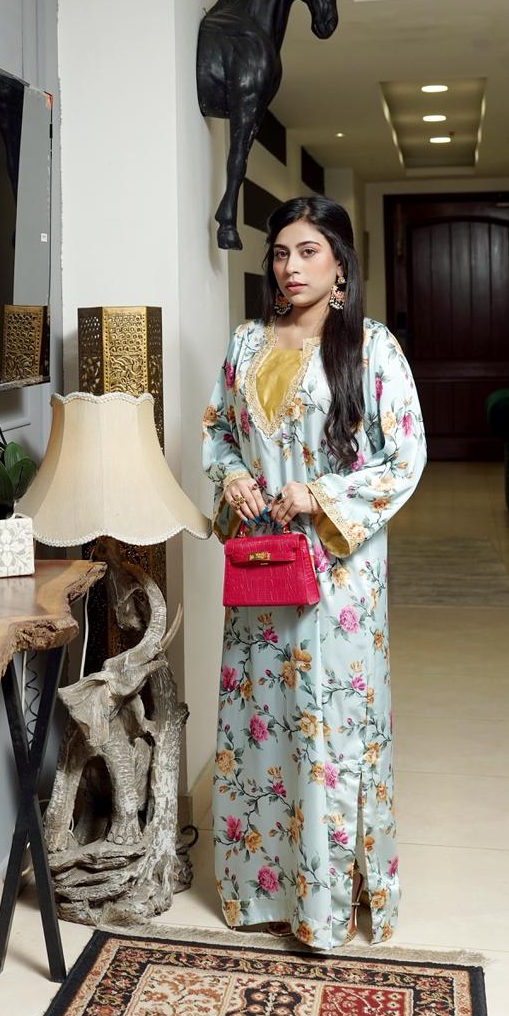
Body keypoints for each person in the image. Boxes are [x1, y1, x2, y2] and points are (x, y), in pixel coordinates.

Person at [202, 195, 426, 950]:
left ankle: (327, 904)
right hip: (262, 572)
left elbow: (406, 457)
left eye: (308, 252)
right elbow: (219, 434)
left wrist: (320, 493)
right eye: (280, 253)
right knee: (262, 727)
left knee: (328, 730)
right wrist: (232, 476)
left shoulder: (371, 348)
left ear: (340, 266)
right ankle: (260, 889)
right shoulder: (244, 345)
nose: (290, 267)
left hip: (338, 580)